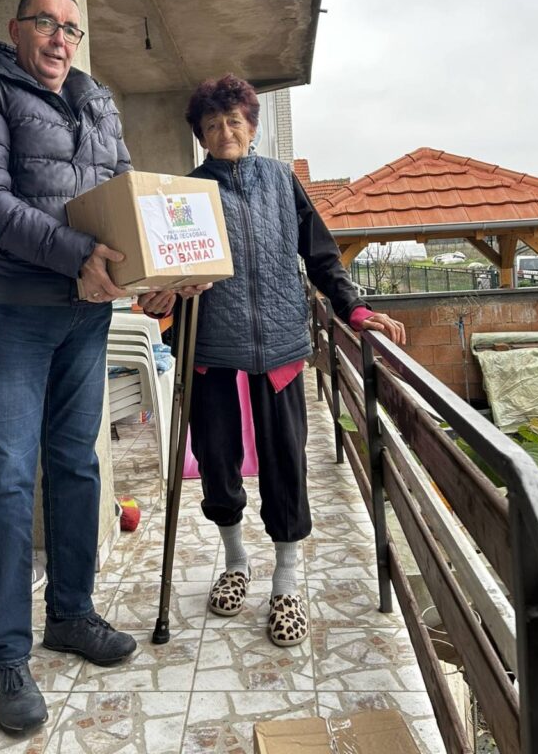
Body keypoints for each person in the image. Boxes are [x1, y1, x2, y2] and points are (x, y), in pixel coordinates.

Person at [0, 0, 138, 734]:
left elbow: (126, 194)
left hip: (85, 311)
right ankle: (8, 658)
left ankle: (72, 614)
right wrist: (79, 254)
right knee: (8, 480)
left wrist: (152, 271)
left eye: (72, 29)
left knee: (78, 464)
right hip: (8, 312)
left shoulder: (96, 100)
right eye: (46, 24)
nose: (60, 39)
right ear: (16, 29)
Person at [141, 75, 405, 647]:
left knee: (285, 460)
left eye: (234, 121)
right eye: (212, 125)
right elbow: (163, 277)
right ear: (201, 136)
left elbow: (322, 256)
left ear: (252, 127)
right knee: (218, 460)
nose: (225, 132)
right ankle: (236, 561)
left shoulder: (283, 181)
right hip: (210, 349)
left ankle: (286, 578)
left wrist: (355, 310)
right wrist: (159, 298)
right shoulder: (185, 195)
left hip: (281, 345)